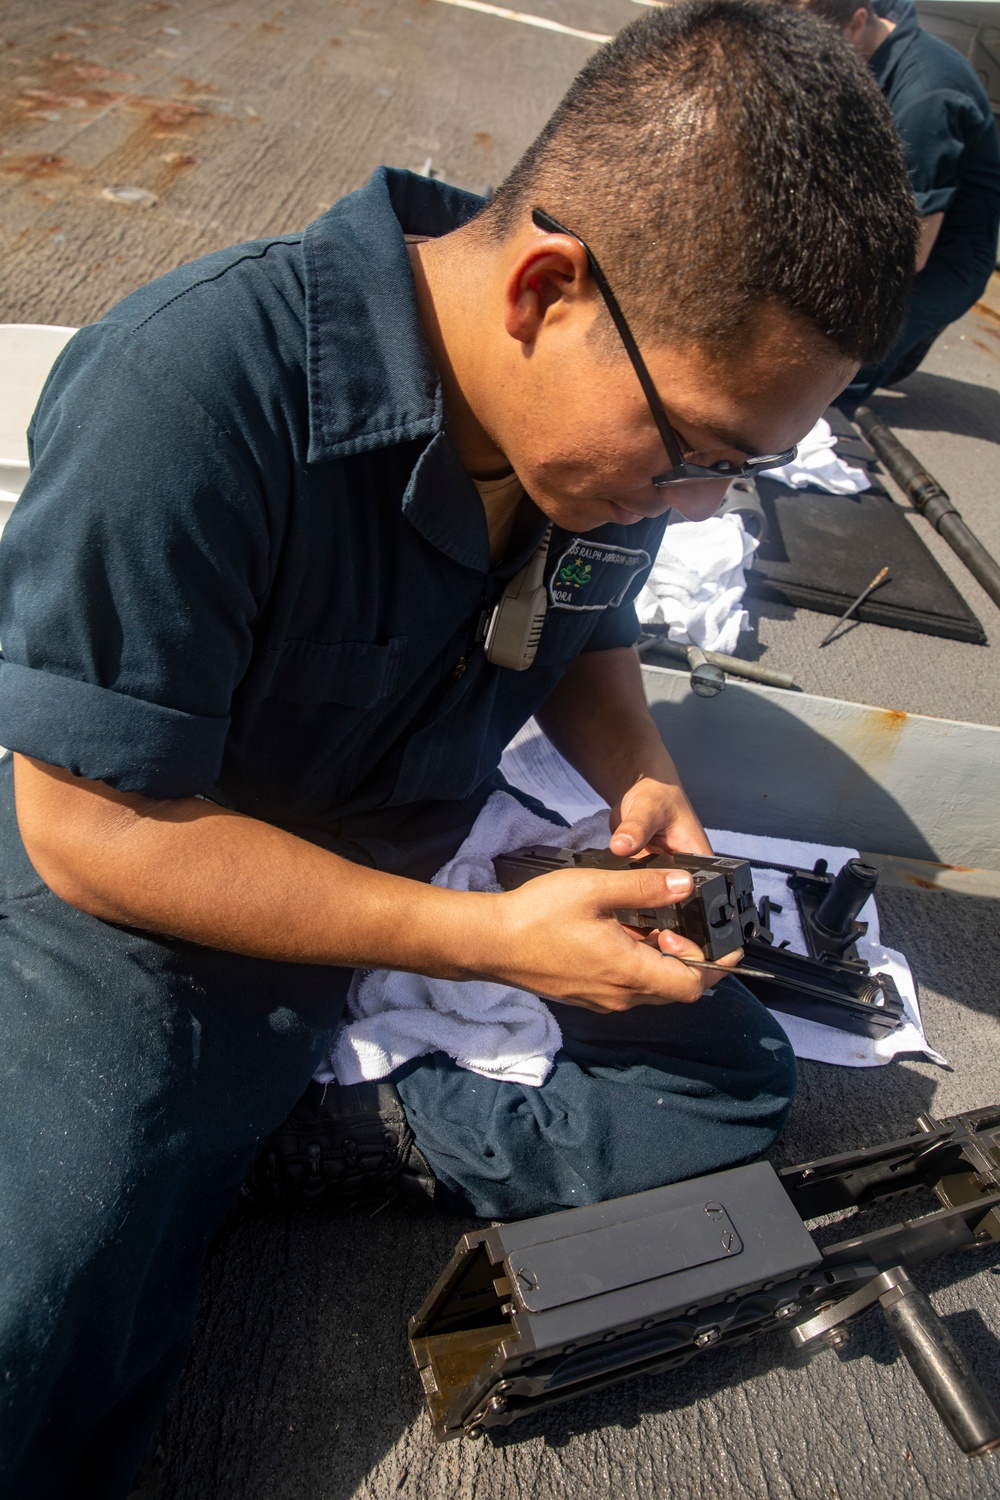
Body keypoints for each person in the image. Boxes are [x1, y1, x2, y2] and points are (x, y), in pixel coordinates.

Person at [0, 3, 916, 1495]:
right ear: (550, 286)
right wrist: (488, 946)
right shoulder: (199, 390)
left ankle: (273, 1133)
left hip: (403, 892)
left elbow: (585, 639)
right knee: (32, 1332)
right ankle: (201, 1134)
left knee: (734, 1077)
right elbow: (86, 830)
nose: (693, 511)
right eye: (695, 454)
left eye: (733, 477)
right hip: (142, 917)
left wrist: (641, 777)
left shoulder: (583, 453)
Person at [791, 0, 1000, 411]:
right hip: (904, 225)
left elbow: (913, 251)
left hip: (944, 260)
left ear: (857, 23)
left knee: (840, 369)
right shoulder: (870, 39)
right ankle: (903, 348)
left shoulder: (926, 98)